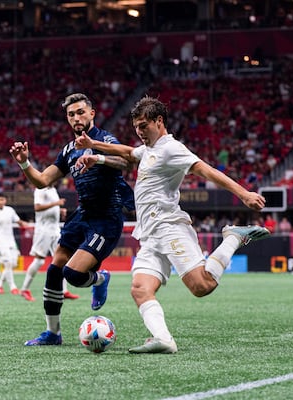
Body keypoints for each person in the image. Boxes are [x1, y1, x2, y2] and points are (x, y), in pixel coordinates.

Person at [74, 95, 271, 354]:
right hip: (149, 235)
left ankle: (233, 238)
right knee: (140, 289)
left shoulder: (171, 148)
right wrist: (95, 150)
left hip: (169, 227)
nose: (140, 132)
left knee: (202, 286)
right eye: (136, 128)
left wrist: (244, 194)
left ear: (159, 121)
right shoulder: (150, 149)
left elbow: (207, 171)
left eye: (144, 126)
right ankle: (164, 339)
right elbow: (128, 153)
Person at [9, 92, 134, 346]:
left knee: (73, 274)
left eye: (80, 112)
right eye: (71, 114)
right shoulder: (68, 149)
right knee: (54, 270)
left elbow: (126, 161)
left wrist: (97, 156)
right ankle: (53, 333)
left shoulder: (104, 139)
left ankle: (100, 278)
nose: (76, 118)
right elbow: (43, 181)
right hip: (83, 215)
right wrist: (24, 164)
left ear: (91, 114)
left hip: (106, 218)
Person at [20, 186, 79, 302]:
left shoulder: (53, 190)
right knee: (39, 260)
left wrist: (59, 210)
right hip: (43, 231)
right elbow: (37, 207)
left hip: (55, 229)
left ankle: (64, 291)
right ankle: (24, 289)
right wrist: (56, 203)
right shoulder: (41, 189)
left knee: (62, 258)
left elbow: (50, 208)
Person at [0, 192, 29, 295]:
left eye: (2, 199)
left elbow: (18, 220)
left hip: (11, 240)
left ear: (5, 200)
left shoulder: (10, 210)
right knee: (8, 262)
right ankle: (13, 287)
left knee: (13, 263)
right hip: (0, 241)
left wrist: (24, 223)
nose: (0, 202)